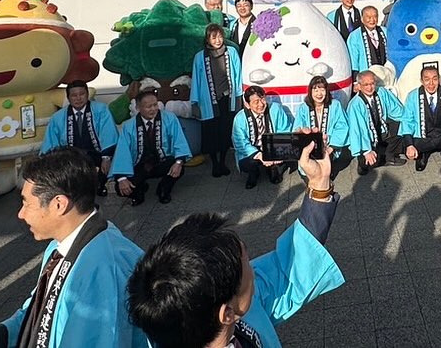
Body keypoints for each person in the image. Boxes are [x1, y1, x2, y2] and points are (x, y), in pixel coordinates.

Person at [127, 137, 344, 348]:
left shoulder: (184, 316)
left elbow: (285, 269)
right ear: (227, 314)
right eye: (248, 267)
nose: (256, 270)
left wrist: (319, 183)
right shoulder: (234, 306)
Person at [0, 148, 148, 348]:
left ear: (59, 204)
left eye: (27, 204)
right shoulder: (60, 246)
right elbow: (38, 310)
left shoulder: (103, 268)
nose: (21, 214)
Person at [112, 88, 192, 205]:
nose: (153, 109)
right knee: (121, 187)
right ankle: (139, 190)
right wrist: (122, 178)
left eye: (155, 105)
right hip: (140, 164)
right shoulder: (128, 126)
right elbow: (122, 152)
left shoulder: (169, 118)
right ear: (138, 108)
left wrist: (179, 162)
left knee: (178, 167)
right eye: (148, 106)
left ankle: (164, 189)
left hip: (162, 161)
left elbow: (179, 140)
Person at [41, 80, 118, 196]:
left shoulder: (101, 110)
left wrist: (106, 157)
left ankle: (99, 184)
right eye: (74, 95)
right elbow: (51, 142)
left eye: (81, 94)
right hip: (71, 157)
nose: (78, 98)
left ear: (87, 94)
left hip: (96, 154)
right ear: (68, 97)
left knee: (101, 171)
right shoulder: (58, 117)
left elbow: (108, 133)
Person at [190, 23, 243, 178]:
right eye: (214, 37)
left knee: (226, 130)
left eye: (220, 36)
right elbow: (196, 80)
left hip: (228, 98)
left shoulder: (231, 52)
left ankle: (223, 162)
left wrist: (239, 96)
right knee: (211, 131)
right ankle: (215, 163)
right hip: (208, 100)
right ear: (208, 39)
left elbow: (238, 75)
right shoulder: (200, 56)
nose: (218, 40)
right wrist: (194, 102)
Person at [400, 67, 441, 172]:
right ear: (421, 81)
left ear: (439, 79)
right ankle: (423, 154)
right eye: (427, 79)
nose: (431, 83)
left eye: (435, 79)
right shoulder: (413, 96)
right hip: (423, 136)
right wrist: (409, 145)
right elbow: (407, 120)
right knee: (407, 145)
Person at [345, 70, 407, 175]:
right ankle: (377, 156)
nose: (370, 87)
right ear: (359, 86)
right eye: (366, 85)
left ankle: (389, 155)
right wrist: (366, 151)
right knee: (368, 163)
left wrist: (409, 121)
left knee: (404, 128)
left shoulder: (382, 92)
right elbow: (358, 130)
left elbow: (397, 110)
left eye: (372, 83)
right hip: (367, 139)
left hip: (383, 131)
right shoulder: (355, 105)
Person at [232, 85, 294, 189]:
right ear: (247, 104)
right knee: (248, 163)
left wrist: (276, 152)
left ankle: (274, 169)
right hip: (253, 150)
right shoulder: (240, 118)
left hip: (272, 147)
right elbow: (239, 142)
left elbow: (285, 130)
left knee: (285, 154)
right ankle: (254, 173)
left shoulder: (276, 109)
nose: (261, 104)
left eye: (262, 99)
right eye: (256, 102)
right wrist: (259, 155)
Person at [293, 76, 354, 180]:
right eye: (315, 90)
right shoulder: (304, 107)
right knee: (309, 176)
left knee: (325, 176)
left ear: (327, 91)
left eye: (322, 89)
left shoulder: (335, 105)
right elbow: (297, 127)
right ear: (310, 91)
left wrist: (330, 148)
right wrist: (302, 130)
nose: (319, 94)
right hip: (309, 147)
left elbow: (342, 126)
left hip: (328, 146)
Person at [347, 5, 388, 75]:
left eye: (375, 16)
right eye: (368, 17)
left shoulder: (385, 31)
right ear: (362, 19)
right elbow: (354, 61)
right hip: (366, 76)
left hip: (385, 74)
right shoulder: (354, 36)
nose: (372, 20)